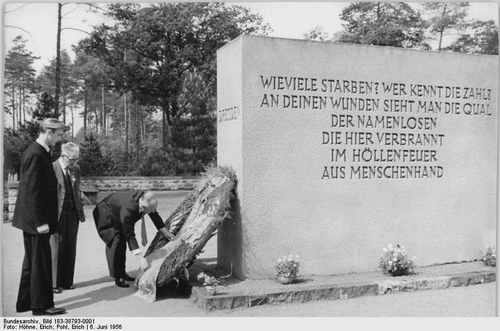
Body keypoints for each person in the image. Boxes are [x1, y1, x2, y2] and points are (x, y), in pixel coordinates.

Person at [13, 118, 67, 316]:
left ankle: (25, 302)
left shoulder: (41, 151)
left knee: (32, 262)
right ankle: (41, 306)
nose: (60, 138)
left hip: (33, 220)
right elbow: (31, 191)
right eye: (59, 134)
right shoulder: (36, 153)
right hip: (37, 222)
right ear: (49, 132)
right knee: (41, 264)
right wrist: (40, 223)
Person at [92, 191, 174, 287]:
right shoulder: (128, 209)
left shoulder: (147, 201)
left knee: (121, 241)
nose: (145, 213)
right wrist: (140, 257)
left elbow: (154, 215)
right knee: (116, 241)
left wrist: (167, 233)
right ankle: (118, 277)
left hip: (118, 213)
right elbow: (129, 234)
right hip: (105, 214)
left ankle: (122, 273)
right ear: (142, 203)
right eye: (145, 210)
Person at [50, 142, 85, 293]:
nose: (74, 163)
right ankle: (54, 283)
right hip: (56, 214)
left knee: (70, 247)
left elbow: (76, 190)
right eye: (72, 159)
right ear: (63, 156)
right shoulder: (52, 168)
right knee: (55, 248)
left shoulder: (75, 169)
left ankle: (67, 281)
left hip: (73, 213)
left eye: (76, 159)